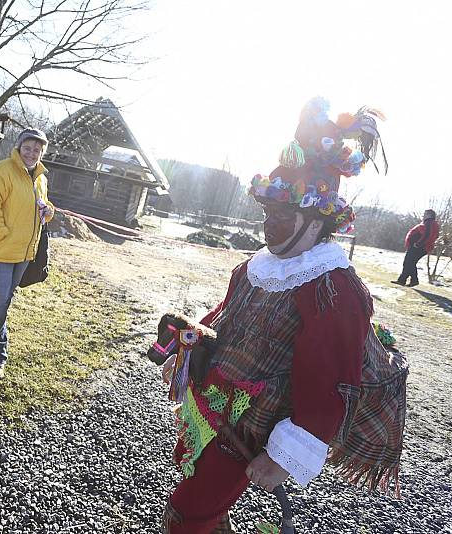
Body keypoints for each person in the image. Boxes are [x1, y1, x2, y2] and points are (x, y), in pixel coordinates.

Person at [161, 98, 408, 533]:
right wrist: (183, 353)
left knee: (188, 511)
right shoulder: (256, 266)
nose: (268, 223)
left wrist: (285, 454)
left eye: (282, 213)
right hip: (211, 407)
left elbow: (332, 381)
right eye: (267, 212)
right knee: (194, 491)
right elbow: (226, 320)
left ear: (315, 221)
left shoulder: (331, 287)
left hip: (255, 426)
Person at [0, 128, 55, 379]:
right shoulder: (3, 171)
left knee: (4, 298)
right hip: (2, 250)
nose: (32, 153)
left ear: (42, 153)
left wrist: (48, 211)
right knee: (1, 301)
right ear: (19, 147)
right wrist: (0, 235)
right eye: (28, 148)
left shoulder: (41, 178)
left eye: (37, 150)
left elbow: (43, 208)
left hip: (25, 252)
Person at [392, 209, 439, 287]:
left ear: (429, 215)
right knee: (409, 263)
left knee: (409, 263)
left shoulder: (429, 222)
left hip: (419, 247)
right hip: (421, 247)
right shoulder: (431, 223)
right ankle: (402, 280)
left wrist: (418, 244)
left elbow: (427, 235)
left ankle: (413, 280)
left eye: (425, 214)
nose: (423, 216)